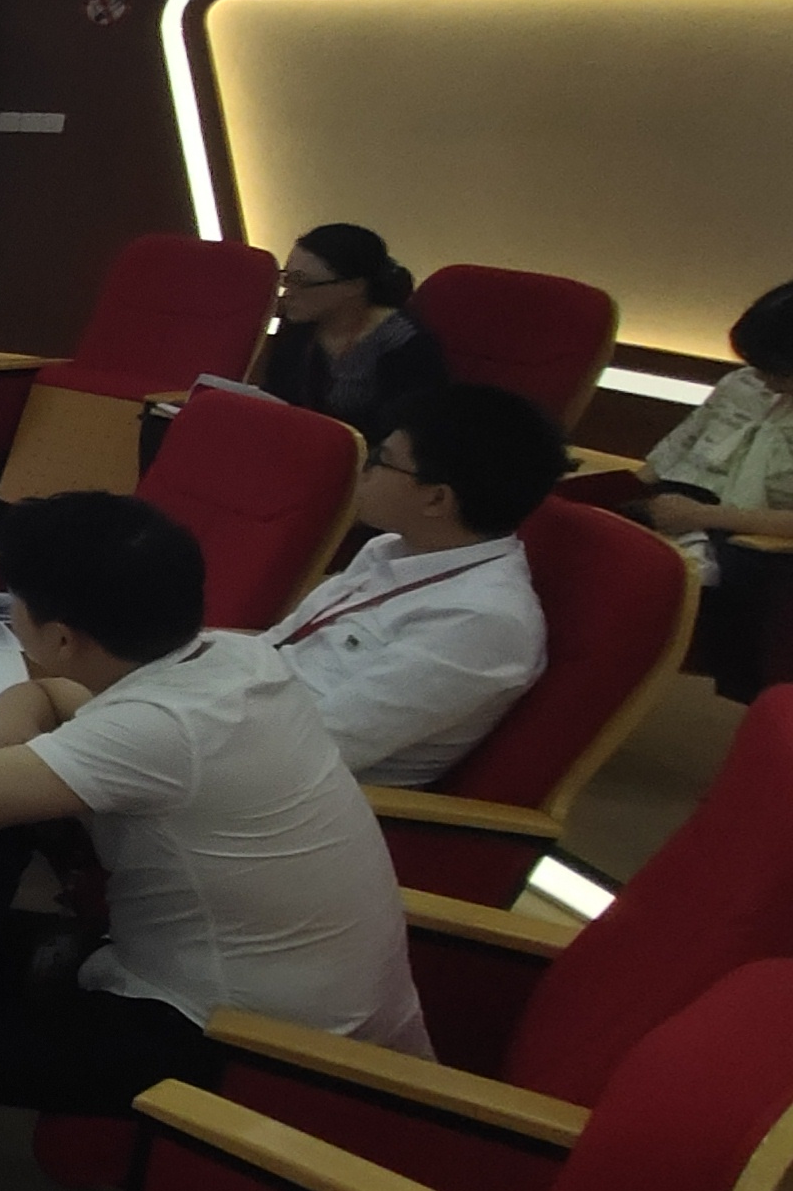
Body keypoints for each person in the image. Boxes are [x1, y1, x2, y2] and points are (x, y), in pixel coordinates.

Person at [0, 492, 427, 1143]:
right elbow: (42, 691)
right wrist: (14, 751)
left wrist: (9, 762)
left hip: (247, 1045)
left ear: (60, 637)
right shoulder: (234, 660)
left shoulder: (160, 730)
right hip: (288, 999)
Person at [264, 385, 566, 788]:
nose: (364, 470)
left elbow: (314, 750)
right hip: (246, 723)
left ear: (437, 500)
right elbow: (277, 645)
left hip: (289, 791)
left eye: (380, 460)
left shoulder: (482, 621)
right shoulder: (390, 549)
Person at [632, 281, 793, 700]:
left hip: (755, 536)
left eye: (775, 371)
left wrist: (700, 517)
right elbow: (673, 452)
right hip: (682, 502)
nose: (763, 380)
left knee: (729, 574)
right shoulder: (742, 385)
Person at [254, 224, 449, 441]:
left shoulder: (405, 346)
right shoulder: (300, 328)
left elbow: (406, 436)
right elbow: (277, 396)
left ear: (354, 287)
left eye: (301, 281)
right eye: (287, 278)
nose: (288, 292)